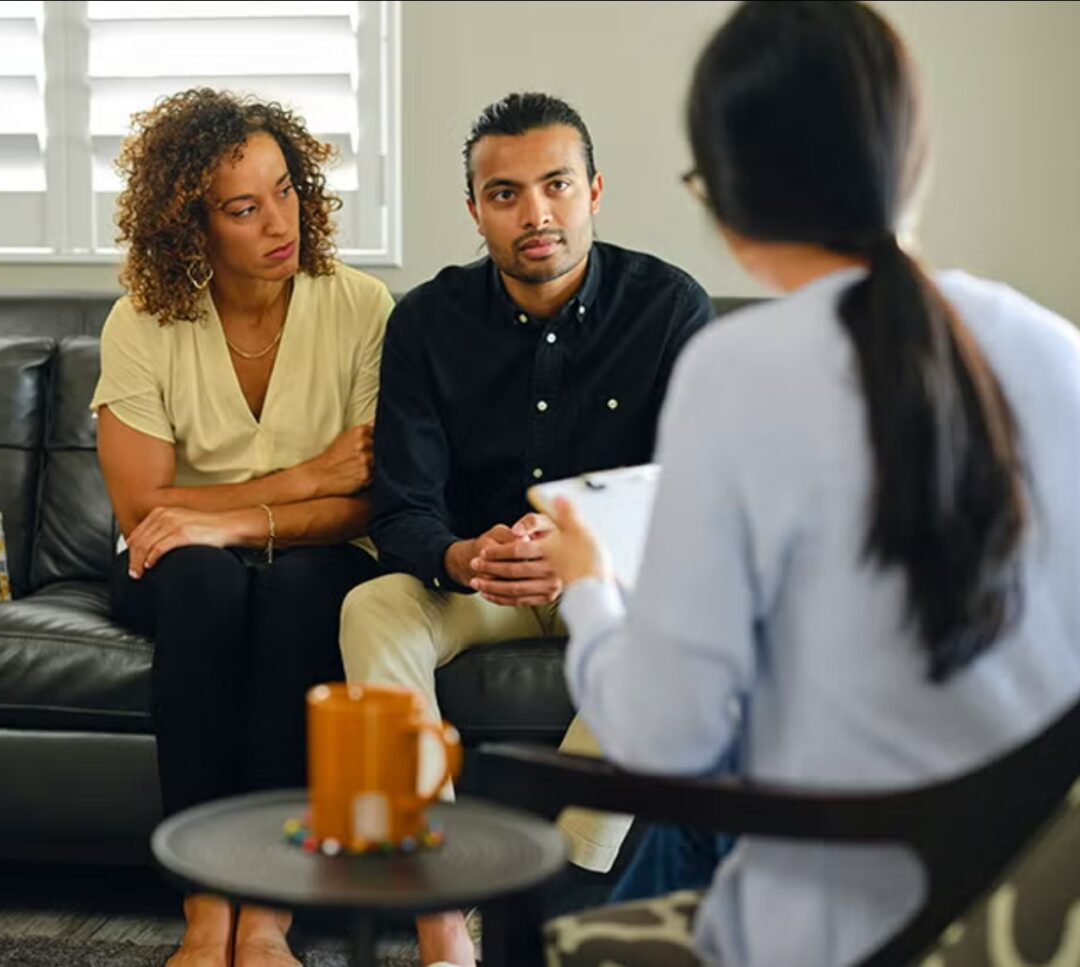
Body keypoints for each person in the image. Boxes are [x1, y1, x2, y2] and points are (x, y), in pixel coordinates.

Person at [540, 3, 1080, 965]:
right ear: (908, 155)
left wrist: (588, 582)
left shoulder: (740, 372)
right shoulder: (1057, 353)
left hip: (842, 919)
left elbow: (666, 737)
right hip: (1036, 910)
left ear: (728, 193)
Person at [339, 91, 714, 965]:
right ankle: (439, 925)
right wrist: (461, 553)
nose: (535, 212)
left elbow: (692, 500)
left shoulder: (669, 308)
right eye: (505, 194)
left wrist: (592, 557)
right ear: (475, 211)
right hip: (479, 580)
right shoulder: (428, 322)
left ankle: (543, 892)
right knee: (371, 608)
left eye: (557, 184)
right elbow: (402, 502)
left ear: (594, 190)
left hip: (617, 586)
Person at [91, 89, 392, 967]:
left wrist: (224, 516)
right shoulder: (140, 321)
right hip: (177, 565)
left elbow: (368, 501)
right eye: (243, 207)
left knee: (303, 590)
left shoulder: (362, 306)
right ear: (193, 225)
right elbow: (147, 516)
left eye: (288, 189)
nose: (279, 221)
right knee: (201, 582)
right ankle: (205, 903)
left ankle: (268, 909)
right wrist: (302, 477)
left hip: (320, 552)